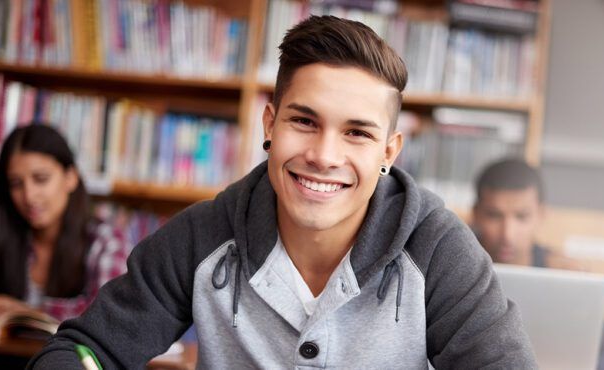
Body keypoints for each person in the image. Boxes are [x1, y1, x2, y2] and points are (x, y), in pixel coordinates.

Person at [29, 16, 535, 369]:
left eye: (357, 132)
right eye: (304, 121)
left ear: (389, 151)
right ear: (270, 123)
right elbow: (85, 349)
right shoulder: (203, 235)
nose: (323, 154)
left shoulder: (439, 250)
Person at [472, 158, 604, 370]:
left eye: (522, 217)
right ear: (476, 214)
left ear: (541, 215)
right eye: (494, 216)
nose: (508, 234)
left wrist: (579, 301)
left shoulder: (566, 276)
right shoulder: (452, 268)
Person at [0, 124, 130, 320]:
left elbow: (109, 314)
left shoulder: (105, 240)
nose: (29, 196)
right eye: (16, 184)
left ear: (70, 178)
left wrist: (21, 310)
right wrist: (4, 304)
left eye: (41, 179)